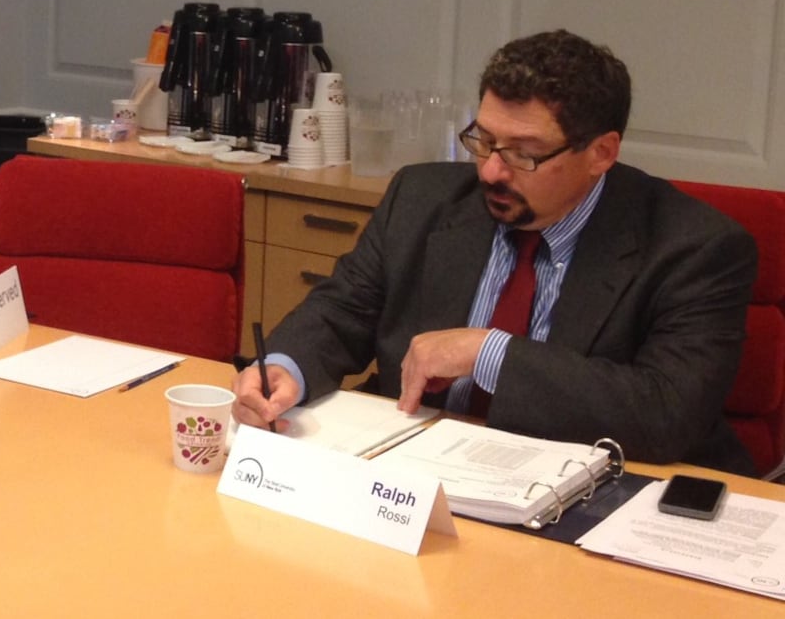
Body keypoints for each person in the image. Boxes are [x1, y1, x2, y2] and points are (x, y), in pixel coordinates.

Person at [233, 29, 757, 474]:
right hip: (412, 469)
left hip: (580, 488)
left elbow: (667, 412)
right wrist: (285, 368)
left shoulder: (696, 247)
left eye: (523, 154)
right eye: (483, 141)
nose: (489, 171)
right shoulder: (421, 198)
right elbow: (342, 309)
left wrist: (491, 354)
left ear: (601, 153)